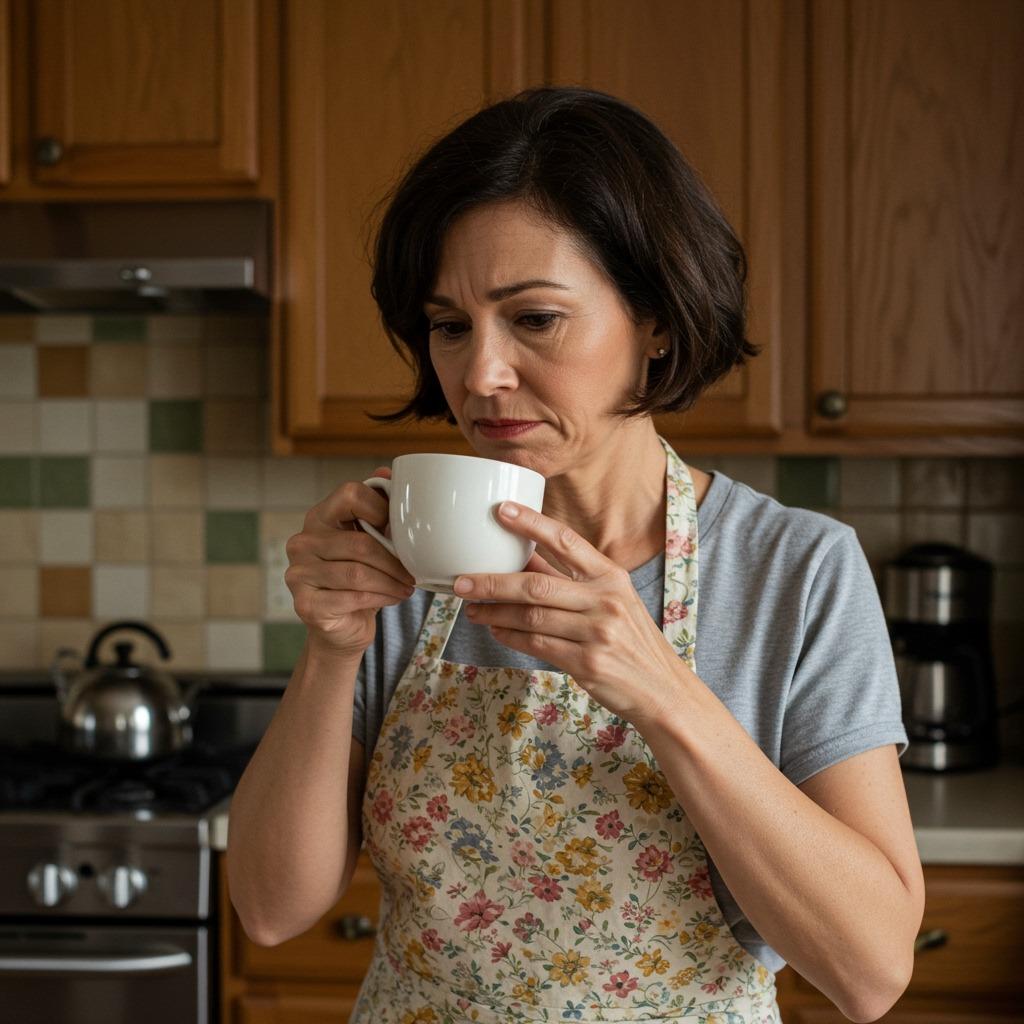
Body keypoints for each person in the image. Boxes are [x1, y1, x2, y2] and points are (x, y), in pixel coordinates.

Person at [226, 86, 924, 1024]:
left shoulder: (793, 571)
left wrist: (661, 689)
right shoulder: (405, 560)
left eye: (536, 319)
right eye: (449, 324)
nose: (479, 374)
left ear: (658, 320)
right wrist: (331, 648)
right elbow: (271, 910)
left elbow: (871, 972)